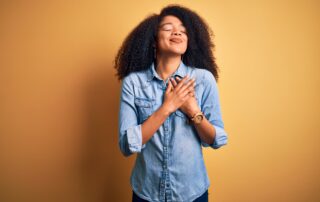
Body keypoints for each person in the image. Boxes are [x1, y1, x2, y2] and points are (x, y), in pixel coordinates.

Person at [114, 4, 228, 202]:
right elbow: (127, 145)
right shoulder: (133, 82)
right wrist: (167, 107)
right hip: (146, 193)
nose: (177, 32)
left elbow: (216, 140)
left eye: (184, 30)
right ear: (153, 41)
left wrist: (193, 111)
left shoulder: (203, 79)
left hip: (192, 193)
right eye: (168, 27)